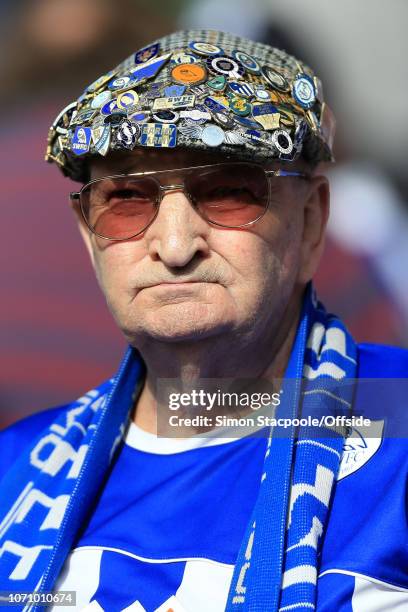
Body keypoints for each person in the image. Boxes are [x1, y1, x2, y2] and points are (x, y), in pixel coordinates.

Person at [0, 29, 407, 612]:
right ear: (90, 237)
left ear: (312, 222)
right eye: (128, 200)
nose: (173, 245)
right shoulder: (16, 470)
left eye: (227, 193)